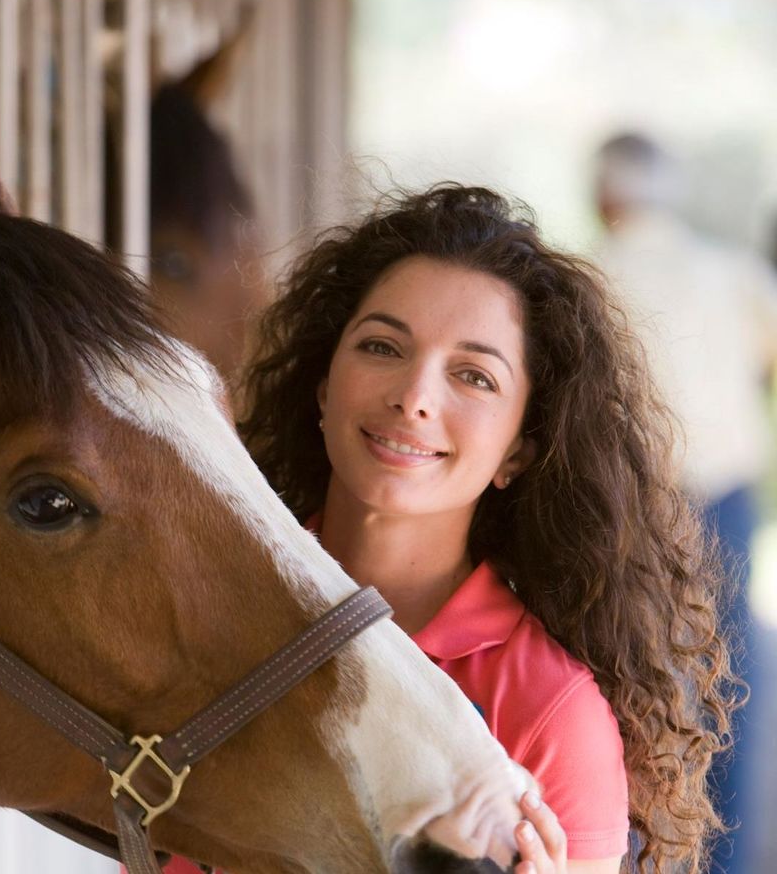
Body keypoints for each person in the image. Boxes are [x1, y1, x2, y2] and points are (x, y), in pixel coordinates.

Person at [236, 184, 739, 873]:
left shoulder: (549, 712)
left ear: (519, 448)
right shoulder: (218, 600)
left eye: (473, 376)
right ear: (324, 386)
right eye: (382, 346)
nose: (414, 398)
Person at [594, 134, 777, 873]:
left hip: (633, 508)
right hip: (725, 499)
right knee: (730, 679)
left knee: (634, 685)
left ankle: (642, 855)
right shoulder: (732, 273)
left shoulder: (592, 276)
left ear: (605, 195)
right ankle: (724, 860)